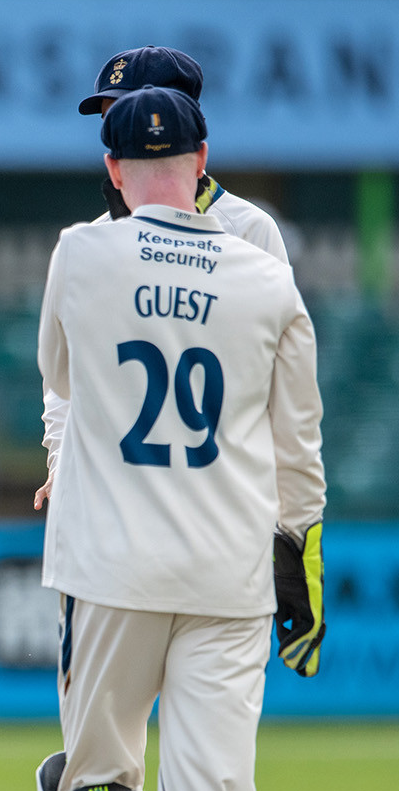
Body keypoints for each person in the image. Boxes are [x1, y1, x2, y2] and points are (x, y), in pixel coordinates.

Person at [32, 86, 325, 791]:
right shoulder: (266, 275)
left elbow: (59, 375)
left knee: (96, 781)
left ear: (113, 171)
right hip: (228, 570)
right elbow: (299, 447)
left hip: (108, 564)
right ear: (201, 164)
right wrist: (296, 552)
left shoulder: (80, 252)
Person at [37, 44, 292, 511]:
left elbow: (278, 382)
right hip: (114, 498)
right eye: (109, 118)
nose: (115, 132)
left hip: (217, 498)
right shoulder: (90, 241)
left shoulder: (249, 230)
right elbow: (64, 382)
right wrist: (61, 461)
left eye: (127, 114)